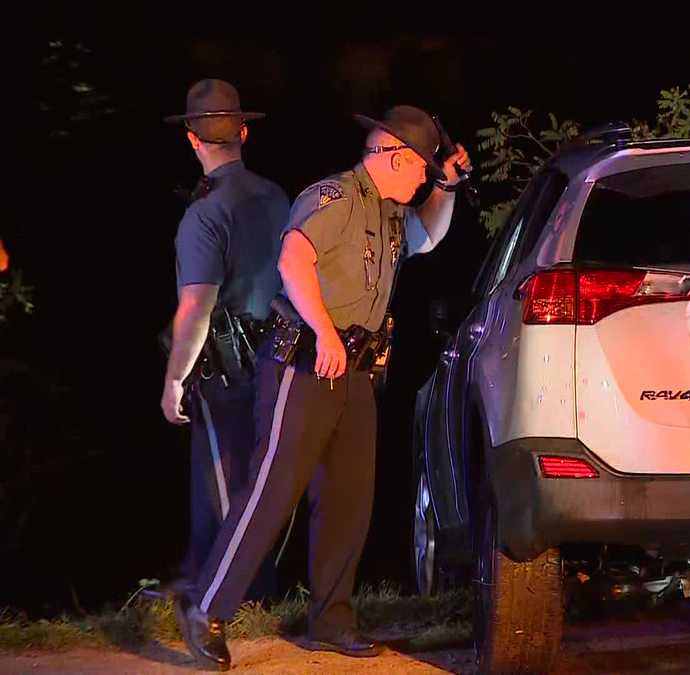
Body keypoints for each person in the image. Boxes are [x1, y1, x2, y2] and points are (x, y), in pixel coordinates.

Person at [173, 105, 470, 670]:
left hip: (355, 368)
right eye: (422, 170)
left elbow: (428, 237)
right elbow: (293, 260)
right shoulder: (334, 197)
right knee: (272, 489)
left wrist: (447, 187)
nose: (424, 181)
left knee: (348, 498)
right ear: (394, 156)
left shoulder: (389, 209)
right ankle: (208, 608)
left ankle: (331, 621)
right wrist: (324, 331)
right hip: (305, 362)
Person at [160, 79, 288, 606]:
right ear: (242, 132)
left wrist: (174, 377)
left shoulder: (204, 214)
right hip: (279, 358)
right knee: (261, 478)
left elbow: (197, 305)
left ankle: (219, 593)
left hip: (224, 363)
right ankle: (252, 585)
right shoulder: (278, 196)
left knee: (219, 478)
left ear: (192, 139)